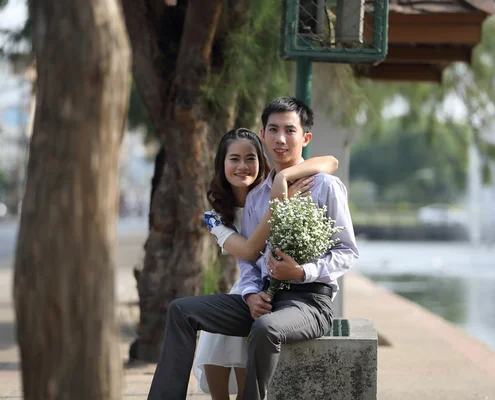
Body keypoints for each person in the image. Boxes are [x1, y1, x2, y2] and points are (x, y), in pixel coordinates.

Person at [147, 97, 358, 400]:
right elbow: (249, 261)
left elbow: (347, 252)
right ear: (263, 135)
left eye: (290, 130)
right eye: (273, 129)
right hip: (264, 298)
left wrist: (302, 271)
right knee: (180, 310)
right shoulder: (258, 196)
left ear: (305, 138)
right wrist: (249, 294)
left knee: (265, 329)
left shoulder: (325, 186)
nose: (281, 138)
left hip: (309, 303)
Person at [194, 127, 339, 400]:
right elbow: (249, 251)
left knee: (246, 345)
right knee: (217, 337)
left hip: (277, 287)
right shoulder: (215, 216)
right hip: (249, 285)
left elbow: (331, 161)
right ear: (221, 163)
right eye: (234, 159)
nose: (242, 166)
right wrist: (279, 203)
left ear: (262, 162)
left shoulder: (268, 189)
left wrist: (284, 177)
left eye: (251, 158)